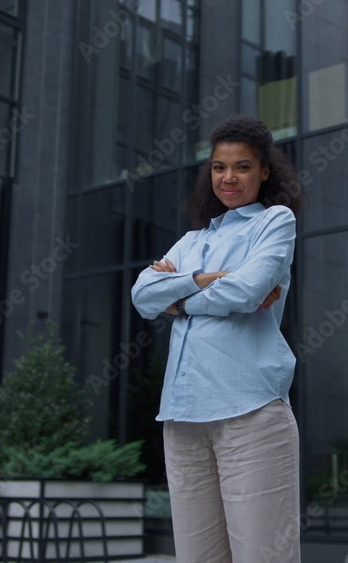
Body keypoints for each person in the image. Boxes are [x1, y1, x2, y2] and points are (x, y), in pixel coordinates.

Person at [131, 114, 304, 562]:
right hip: (183, 415)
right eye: (219, 167)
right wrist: (208, 278)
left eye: (242, 166)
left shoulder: (274, 222)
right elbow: (142, 294)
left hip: (249, 412)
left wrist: (181, 299)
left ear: (265, 170)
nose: (229, 178)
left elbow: (247, 291)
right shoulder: (191, 240)